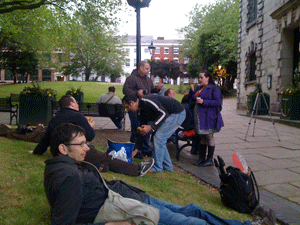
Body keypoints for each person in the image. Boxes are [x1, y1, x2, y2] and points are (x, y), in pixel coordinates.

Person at [45, 122, 269, 225]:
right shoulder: (67, 176)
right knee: (192, 222)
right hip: (130, 209)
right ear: (63, 148)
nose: (87, 148)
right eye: (82, 144)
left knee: (193, 210)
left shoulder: (63, 167)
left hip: (132, 196)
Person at [32, 95, 154, 177]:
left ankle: (97, 167)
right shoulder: (77, 116)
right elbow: (90, 136)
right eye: (75, 102)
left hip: (59, 154)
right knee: (106, 157)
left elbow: (45, 140)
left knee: (94, 154)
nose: (78, 104)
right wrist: (90, 127)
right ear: (71, 104)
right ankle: (137, 170)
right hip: (74, 151)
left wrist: (36, 152)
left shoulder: (55, 118)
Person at [122, 94, 186, 173]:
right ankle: (168, 167)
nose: (128, 110)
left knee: (159, 138)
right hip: (170, 114)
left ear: (132, 103)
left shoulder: (147, 101)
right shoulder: (141, 110)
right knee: (160, 139)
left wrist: (151, 126)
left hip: (177, 113)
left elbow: (164, 114)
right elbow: (142, 132)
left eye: (127, 107)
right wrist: (136, 150)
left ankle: (157, 168)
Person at [123, 61, 163, 157]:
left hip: (145, 107)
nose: (148, 71)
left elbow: (150, 90)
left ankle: (144, 148)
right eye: (147, 68)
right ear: (141, 68)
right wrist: (137, 93)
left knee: (144, 128)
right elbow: (125, 91)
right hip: (134, 106)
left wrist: (157, 89)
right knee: (136, 128)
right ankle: (135, 149)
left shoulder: (148, 79)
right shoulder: (131, 78)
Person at [188, 71, 224, 167]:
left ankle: (209, 160)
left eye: (201, 77)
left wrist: (204, 101)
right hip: (199, 117)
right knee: (202, 136)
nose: (199, 80)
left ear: (207, 78)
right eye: (198, 78)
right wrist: (192, 92)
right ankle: (201, 158)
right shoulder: (198, 88)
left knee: (209, 136)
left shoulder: (214, 89)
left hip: (209, 117)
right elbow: (191, 99)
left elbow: (217, 102)